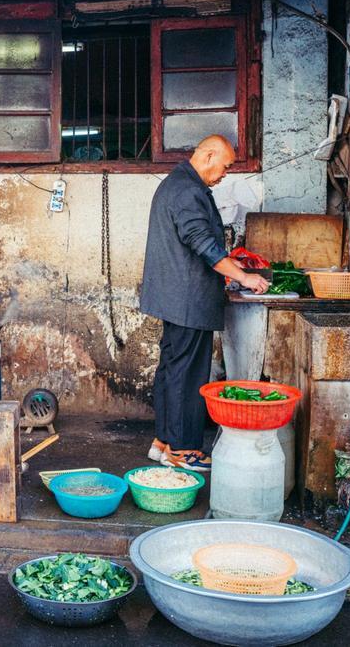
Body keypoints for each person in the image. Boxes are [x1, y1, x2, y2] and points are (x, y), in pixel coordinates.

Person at [139, 135, 269, 471]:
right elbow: (204, 245)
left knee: (173, 368)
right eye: (225, 166)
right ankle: (183, 451)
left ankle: (165, 442)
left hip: (175, 298)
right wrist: (244, 276)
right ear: (209, 155)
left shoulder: (179, 184)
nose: (225, 173)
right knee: (188, 375)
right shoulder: (188, 191)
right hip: (187, 299)